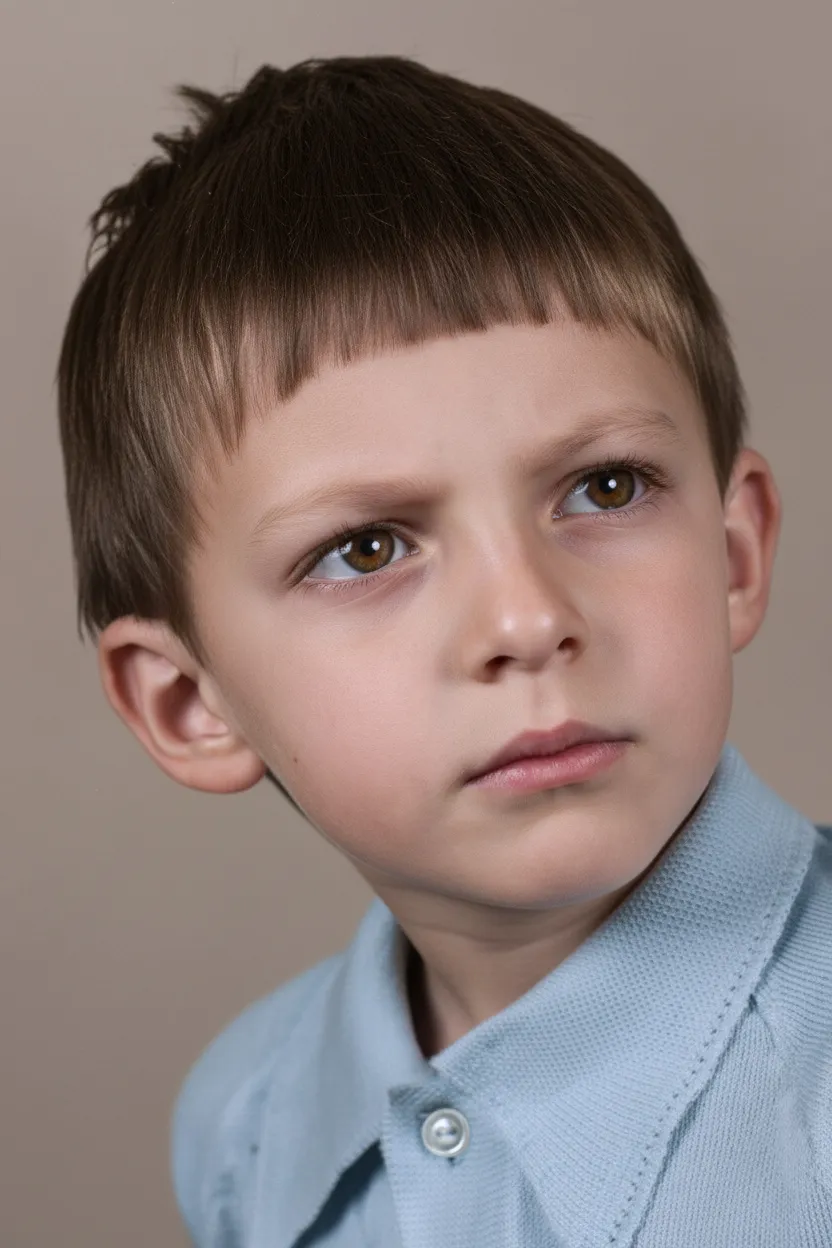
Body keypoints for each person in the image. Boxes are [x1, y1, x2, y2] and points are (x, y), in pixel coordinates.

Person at [55, 55, 832, 1248]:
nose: (526, 620)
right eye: (365, 550)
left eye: (604, 486)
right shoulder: (247, 1124)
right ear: (188, 703)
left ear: (732, 554)